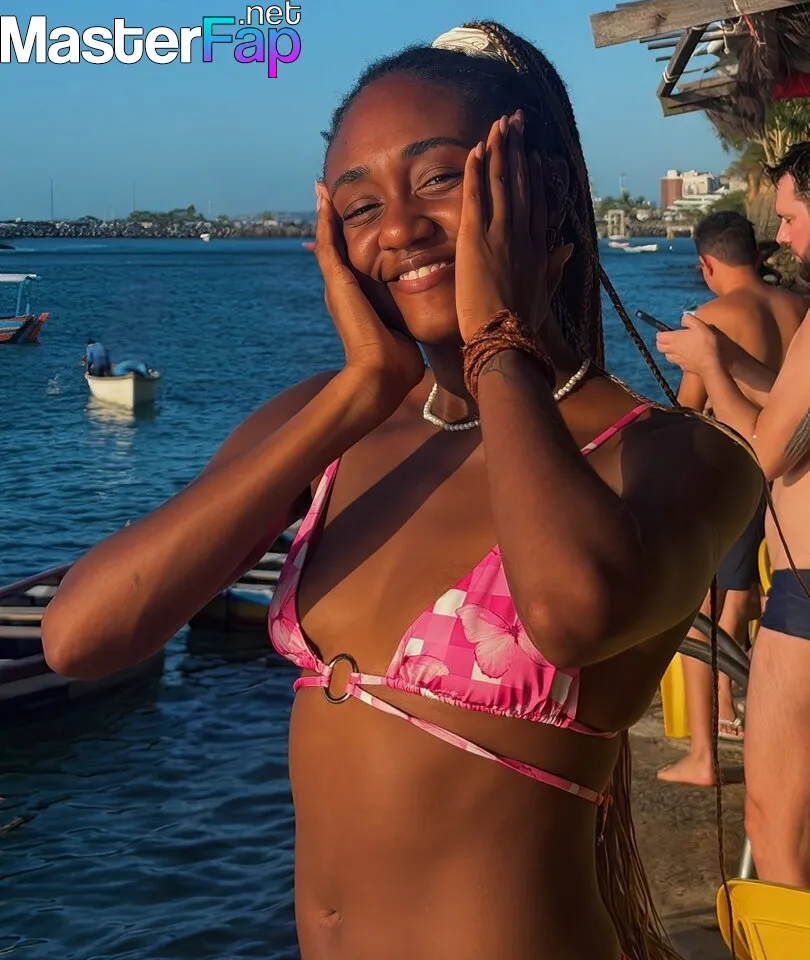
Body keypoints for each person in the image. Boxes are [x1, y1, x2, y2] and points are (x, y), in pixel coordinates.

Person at [42, 22, 761, 960]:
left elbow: (572, 612)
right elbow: (81, 637)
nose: (398, 228)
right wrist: (358, 390)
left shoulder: (674, 454)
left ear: (544, 195)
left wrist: (498, 340)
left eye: (438, 179)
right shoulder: (335, 426)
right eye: (359, 206)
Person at [658, 141, 810, 888]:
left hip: (805, 595)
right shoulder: (800, 310)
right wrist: (729, 359)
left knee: (775, 832)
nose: (781, 235)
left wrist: (709, 365)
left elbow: (769, 451)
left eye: (790, 217)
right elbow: (793, 403)